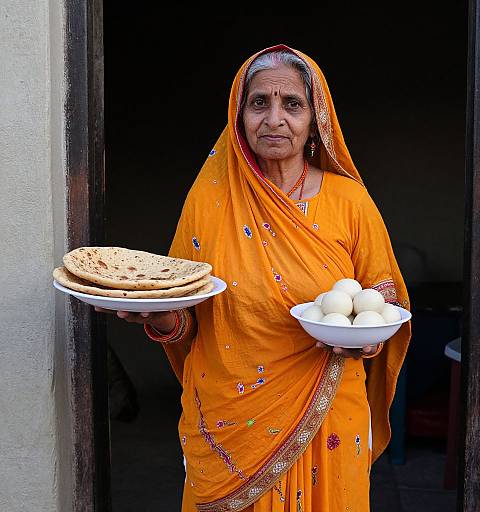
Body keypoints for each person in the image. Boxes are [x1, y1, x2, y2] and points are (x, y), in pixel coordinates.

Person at [96, 44, 411, 512]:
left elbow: (379, 298)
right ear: (238, 115)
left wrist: (365, 339)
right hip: (231, 418)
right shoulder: (208, 202)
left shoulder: (349, 202)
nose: (274, 118)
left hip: (326, 413)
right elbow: (183, 315)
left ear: (314, 121)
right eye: (259, 102)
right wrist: (157, 319)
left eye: (293, 104)